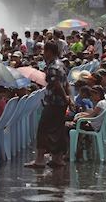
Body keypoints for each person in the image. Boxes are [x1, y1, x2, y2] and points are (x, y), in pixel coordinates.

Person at [25, 41, 69, 169]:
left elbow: (57, 84)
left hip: (53, 103)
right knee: (58, 130)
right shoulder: (60, 64)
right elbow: (65, 84)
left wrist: (65, 97)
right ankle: (57, 158)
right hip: (60, 104)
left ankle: (39, 160)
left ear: (50, 51)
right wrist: (67, 98)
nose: (43, 54)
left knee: (43, 130)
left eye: (44, 51)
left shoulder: (52, 67)